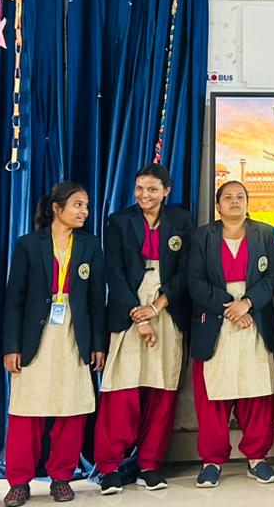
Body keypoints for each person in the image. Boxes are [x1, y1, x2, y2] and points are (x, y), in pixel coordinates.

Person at [2, 182, 106, 506]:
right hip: (35, 337)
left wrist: (98, 344)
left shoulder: (90, 245)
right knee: (26, 411)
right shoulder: (29, 244)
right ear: (56, 209)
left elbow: (96, 299)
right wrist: (11, 346)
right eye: (77, 205)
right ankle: (19, 482)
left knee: (71, 410)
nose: (84, 211)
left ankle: (61, 477)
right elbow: (14, 298)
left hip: (74, 335)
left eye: (86, 205)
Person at [95, 165, 193, 494]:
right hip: (129, 311)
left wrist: (157, 307)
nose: (144, 195)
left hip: (167, 307)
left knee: (162, 388)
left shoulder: (181, 220)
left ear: (166, 191)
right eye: (139, 188)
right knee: (121, 390)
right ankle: (109, 467)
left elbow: (185, 271)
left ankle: (150, 464)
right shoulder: (119, 221)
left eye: (152, 189)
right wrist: (140, 316)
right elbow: (114, 272)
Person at [187, 180, 274, 488]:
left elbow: (272, 276)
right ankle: (212, 461)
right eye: (227, 197)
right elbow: (195, 281)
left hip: (255, 316)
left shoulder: (264, 232)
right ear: (218, 206)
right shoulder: (202, 236)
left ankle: (257, 459)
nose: (234, 201)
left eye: (240, 196)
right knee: (214, 395)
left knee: (257, 392)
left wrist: (248, 304)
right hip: (216, 317)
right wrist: (231, 307)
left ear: (247, 202)